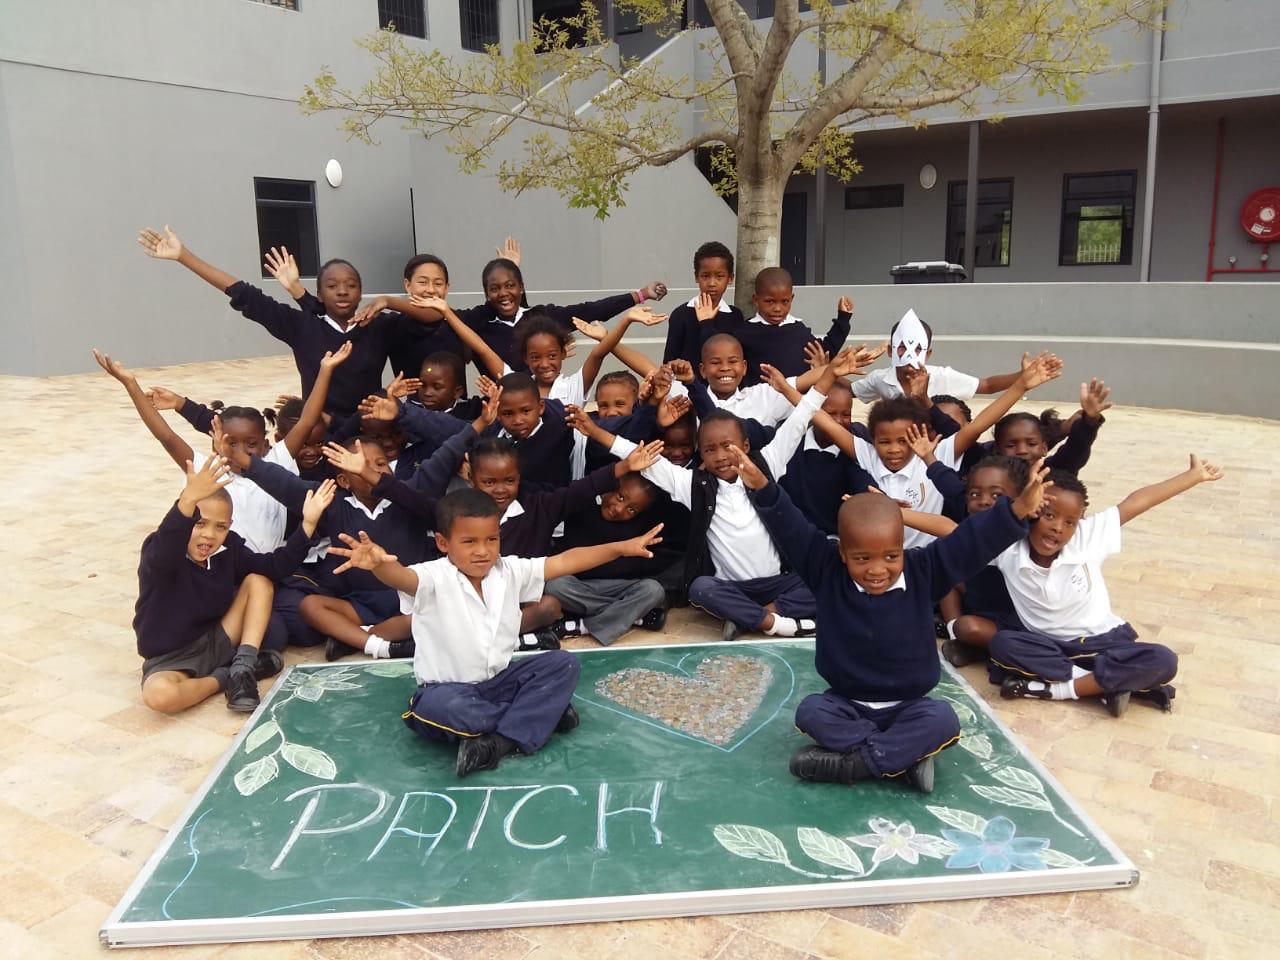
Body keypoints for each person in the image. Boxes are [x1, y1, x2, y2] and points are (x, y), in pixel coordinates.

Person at [735, 449, 1050, 793]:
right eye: (862, 558)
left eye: (890, 556)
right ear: (842, 553)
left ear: (902, 547)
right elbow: (792, 529)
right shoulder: (825, 570)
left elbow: (970, 542)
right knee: (811, 711)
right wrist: (762, 487)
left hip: (910, 707)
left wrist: (1018, 509)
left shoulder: (924, 570)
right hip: (846, 704)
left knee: (943, 720)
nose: (877, 569)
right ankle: (900, 760)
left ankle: (855, 763)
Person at [326, 489, 664, 777]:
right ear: (443, 543)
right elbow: (402, 577)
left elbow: (565, 561)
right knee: (438, 708)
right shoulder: (432, 577)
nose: (483, 550)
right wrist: (379, 565)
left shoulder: (510, 570)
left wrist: (621, 547)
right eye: (469, 541)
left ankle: (498, 743)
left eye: (492, 539)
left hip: (499, 684)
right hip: (447, 691)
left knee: (563, 664)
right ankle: (536, 718)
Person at [611, 356, 854, 641]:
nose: (721, 456)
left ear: (746, 446)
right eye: (710, 450)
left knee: (832, 577)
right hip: (732, 587)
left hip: (780, 582)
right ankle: (776, 623)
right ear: (701, 454)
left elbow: (801, 418)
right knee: (700, 589)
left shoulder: (768, 463)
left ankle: (753, 616)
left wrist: (829, 374)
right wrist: (595, 432)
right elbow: (641, 457)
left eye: (728, 446)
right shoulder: (695, 485)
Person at [988, 456, 1223, 716]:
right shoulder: (1007, 547)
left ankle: (1059, 690)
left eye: (1069, 522)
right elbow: (960, 535)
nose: (1058, 528)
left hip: (1106, 643)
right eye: (1049, 516)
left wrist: (1192, 476)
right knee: (1003, 643)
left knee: (1164, 660)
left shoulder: (1086, 536)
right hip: (1052, 648)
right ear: (1032, 510)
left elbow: (1136, 502)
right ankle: (1102, 685)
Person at [93, 345, 347, 552]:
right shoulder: (209, 470)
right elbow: (166, 437)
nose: (241, 450)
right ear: (217, 440)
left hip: (271, 570)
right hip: (226, 571)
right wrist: (131, 385)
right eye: (231, 442)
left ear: (266, 444)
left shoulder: (277, 462)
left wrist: (325, 370)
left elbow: (307, 421)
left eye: (251, 444)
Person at [135, 457, 335, 714]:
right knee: (160, 696)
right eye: (199, 523)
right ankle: (223, 677)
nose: (209, 534)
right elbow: (167, 544)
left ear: (229, 526)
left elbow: (274, 567)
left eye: (220, 527)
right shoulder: (160, 551)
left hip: (218, 640)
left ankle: (243, 669)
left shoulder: (230, 547)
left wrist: (307, 525)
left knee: (258, 581)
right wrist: (188, 500)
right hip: (171, 659)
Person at [136, 227, 395, 415]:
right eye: (332, 286)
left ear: (361, 292)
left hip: (372, 430)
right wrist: (184, 256)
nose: (342, 291)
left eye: (351, 285)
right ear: (319, 293)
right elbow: (244, 294)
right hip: (317, 434)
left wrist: (388, 300)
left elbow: (418, 318)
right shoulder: (301, 326)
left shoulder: (380, 326)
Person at [852, 308, 1022, 404]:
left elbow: (987, 385)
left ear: (928, 354)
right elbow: (851, 390)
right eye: (902, 347)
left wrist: (1023, 375)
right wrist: (837, 368)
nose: (909, 354)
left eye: (918, 349)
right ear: (891, 350)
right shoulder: (880, 379)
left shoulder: (942, 377)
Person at [662, 241, 744, 373]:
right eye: (705, 276)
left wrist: (706, 323)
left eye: (719, 276)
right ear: (696, 277)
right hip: (687, 385)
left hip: (725, 383)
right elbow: (669, 362)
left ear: (730, 278)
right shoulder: (681, 314)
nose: (712, 283)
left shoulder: (734, 316)